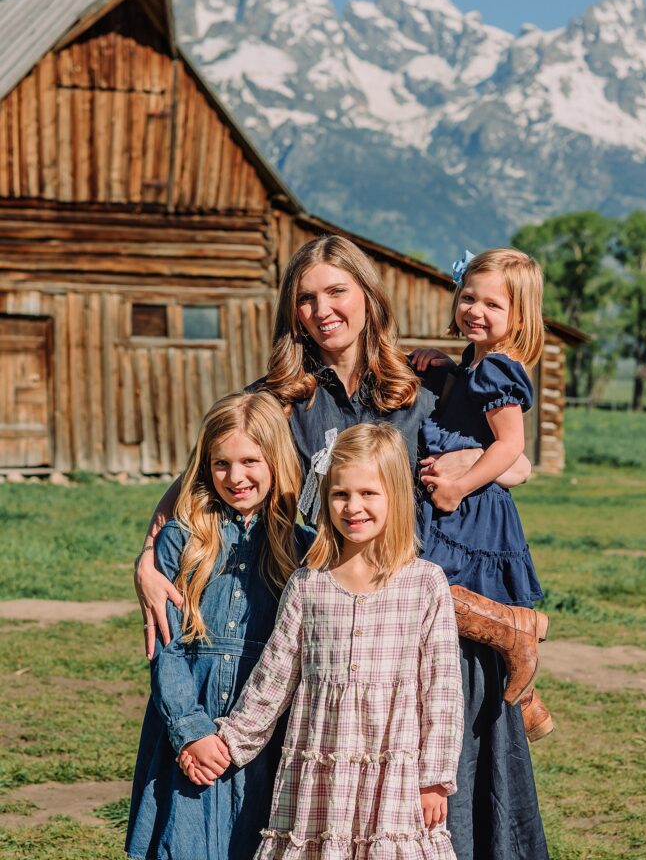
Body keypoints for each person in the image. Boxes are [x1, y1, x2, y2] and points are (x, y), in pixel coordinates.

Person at [134, 235, 544, 859]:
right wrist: (147, 557)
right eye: (306, 298)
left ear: (368, 297)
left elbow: (511, 462)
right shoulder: (279, 399)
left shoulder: (424, 384)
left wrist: (469, 467)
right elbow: (200, 481)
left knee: (435, 813)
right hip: (319, 629)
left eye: (336, 291)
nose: (322, 309)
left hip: (419, 633)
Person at [181, 423, 464, 859]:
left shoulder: (424, 584)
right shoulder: (308, 585)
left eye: (369, 493)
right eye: (340, 494)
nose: (353, 507)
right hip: (319, 776)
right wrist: (225, 743)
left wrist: (434, 779)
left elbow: (442, 692)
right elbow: (273, 678)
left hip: (395, 781)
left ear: (395, 496)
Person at [125, 391, 312, 860]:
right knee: (185, 843)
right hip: (190, 719)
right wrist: (191, 730)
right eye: (221, 464)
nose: (235, 477)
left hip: (266, 730)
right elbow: (165, 648)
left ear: (276, 459)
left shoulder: (304, 547)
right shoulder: (182, 539)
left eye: (250, 461)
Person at [418, 248, 551, 859]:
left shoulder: (499, 369)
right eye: (469, 297)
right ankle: (525, 696)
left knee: (442, 605)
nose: (475, 309)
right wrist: (444, 371)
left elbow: (511, 447)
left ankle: (516, 649)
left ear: (518, 316)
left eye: (492, 303)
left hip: (470, 514)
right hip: (459, 508)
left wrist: (460, 483)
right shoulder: (474, 365)